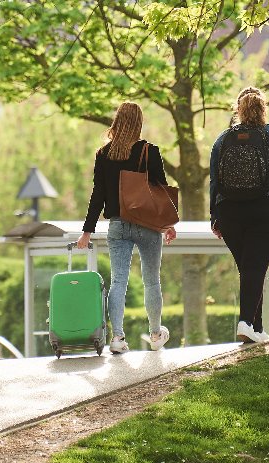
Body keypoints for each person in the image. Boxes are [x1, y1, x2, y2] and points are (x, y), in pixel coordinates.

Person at [75, 102, 176, 353]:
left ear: (117, 122)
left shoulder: (104, 154)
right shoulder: (149, 152)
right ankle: (155, 334)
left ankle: (118, 339)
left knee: (118, 281)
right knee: (152, 281)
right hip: (148, 226)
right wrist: (169, 224)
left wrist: (87, 232)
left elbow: (97, 195)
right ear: (139, 123)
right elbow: (161, 190)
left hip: (117, 226)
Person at [208, 87, 269, 343]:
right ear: (263, 109)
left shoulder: (222, 140)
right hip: (265, 208)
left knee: (249, 268)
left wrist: (214, 216)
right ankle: (246, 322)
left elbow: (214, 182)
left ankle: (256, 330)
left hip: (229, 211)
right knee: (255, 267)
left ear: (238, 110)